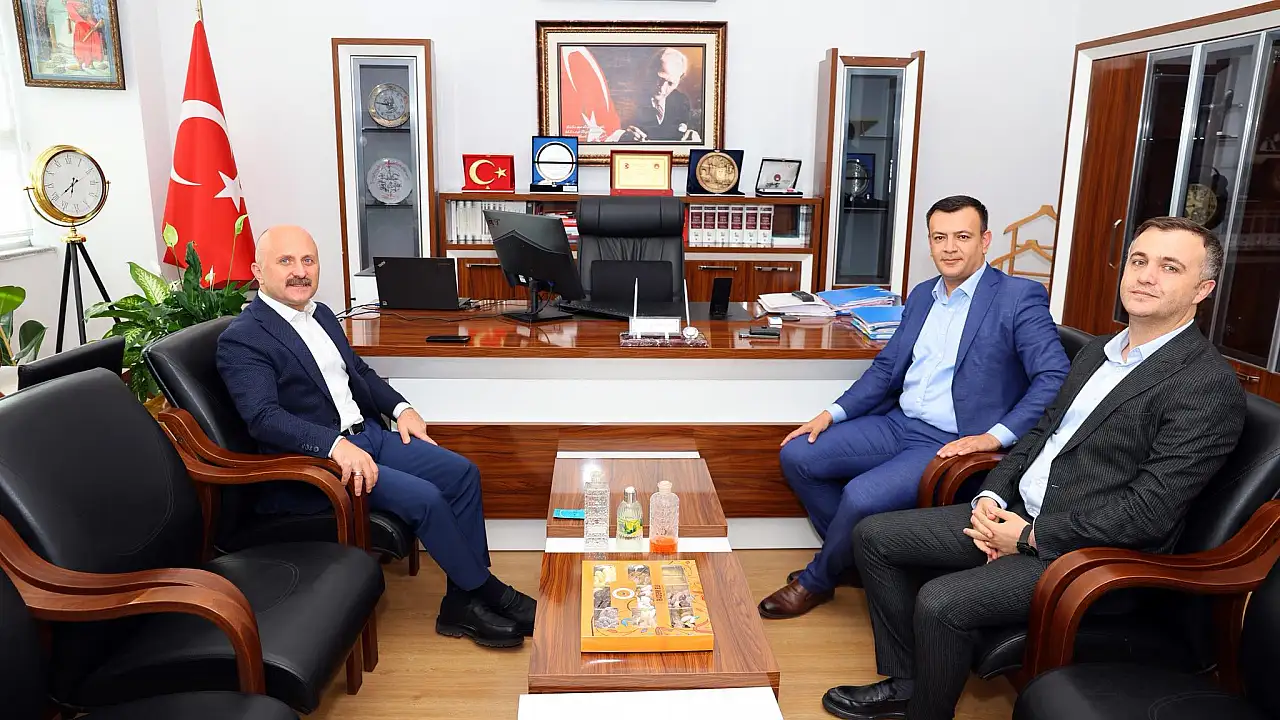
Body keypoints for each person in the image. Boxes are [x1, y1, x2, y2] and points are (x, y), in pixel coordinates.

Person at [824, 216, 1246, 720]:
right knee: (874, 536)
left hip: (1090, 555)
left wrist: (1028, 537)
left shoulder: (1204, 384)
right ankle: (908, 683)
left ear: (1202, 290)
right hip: (1020, 514)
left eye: (1169, 267)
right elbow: (1041, 432)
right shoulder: (1099, 351)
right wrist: (990, 497)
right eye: (1139, 260)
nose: (1146, 276)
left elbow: (1148, 513)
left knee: (940, 601)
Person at [216, 225, 535, 650]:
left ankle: (461, 602)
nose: (300, 271)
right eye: (285, 261)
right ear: (258, 271)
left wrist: (402, 409)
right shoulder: (243, 338)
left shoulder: (321, 315)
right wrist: (334, 445)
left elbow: (360, 372)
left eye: (308, 260)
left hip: (368, 435)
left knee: (462, 473)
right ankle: (490, 592)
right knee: (426, 498)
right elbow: (263, 418)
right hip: (319, 463)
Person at [759, 195, 1070, 620]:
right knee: (798, 454)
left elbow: (1054, 376)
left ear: (985, 241)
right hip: (899, 423)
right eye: (940, 238)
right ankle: (850, 559)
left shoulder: (1018, 297)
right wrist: (831, 413)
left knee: (860, 495)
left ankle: (817, 580)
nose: (950, 248)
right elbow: (887, 367)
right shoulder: (923, 295)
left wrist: (993, 437)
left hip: (950, 440)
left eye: (962, 237)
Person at [624, 47, 696, 142]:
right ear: (650, 72)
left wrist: (692, 136)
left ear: (680, 79)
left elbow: (685, 129)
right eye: (660, 79)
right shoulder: (630, 100)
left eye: (670, 83)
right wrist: (624, 136)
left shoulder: (681, 100)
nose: (662, 89)